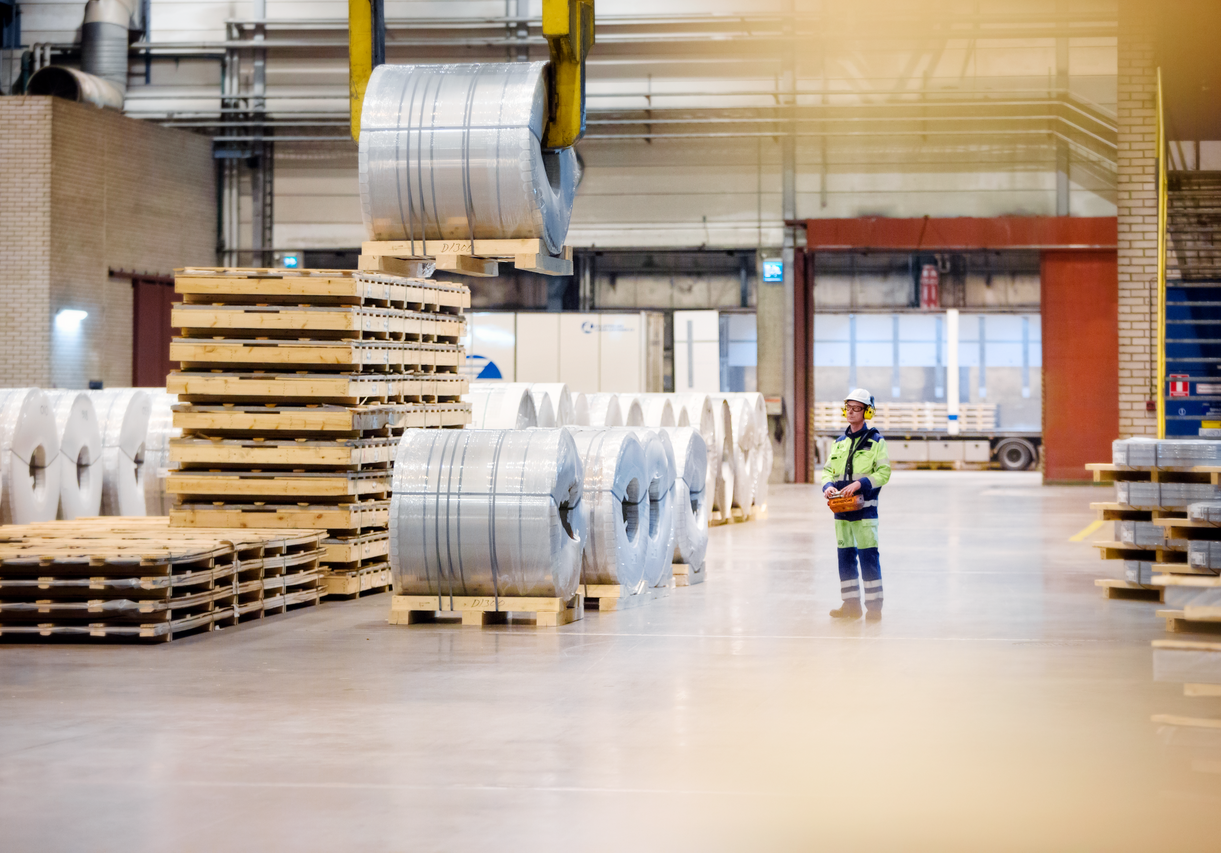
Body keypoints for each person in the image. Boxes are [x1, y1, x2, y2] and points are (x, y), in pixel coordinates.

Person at [821, 388, 892, 621]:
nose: (850, 412)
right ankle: (851, 606)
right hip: (841, 511)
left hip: (865, 512)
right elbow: (827, 471)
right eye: (848, 407)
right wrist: (827, 486)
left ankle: (874, 609)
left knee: (868, 558)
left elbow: (883, 473)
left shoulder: (876, 441)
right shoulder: (839, 443)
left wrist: (860, 484)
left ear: (867, 412)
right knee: (845, 558)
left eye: (856, 408)